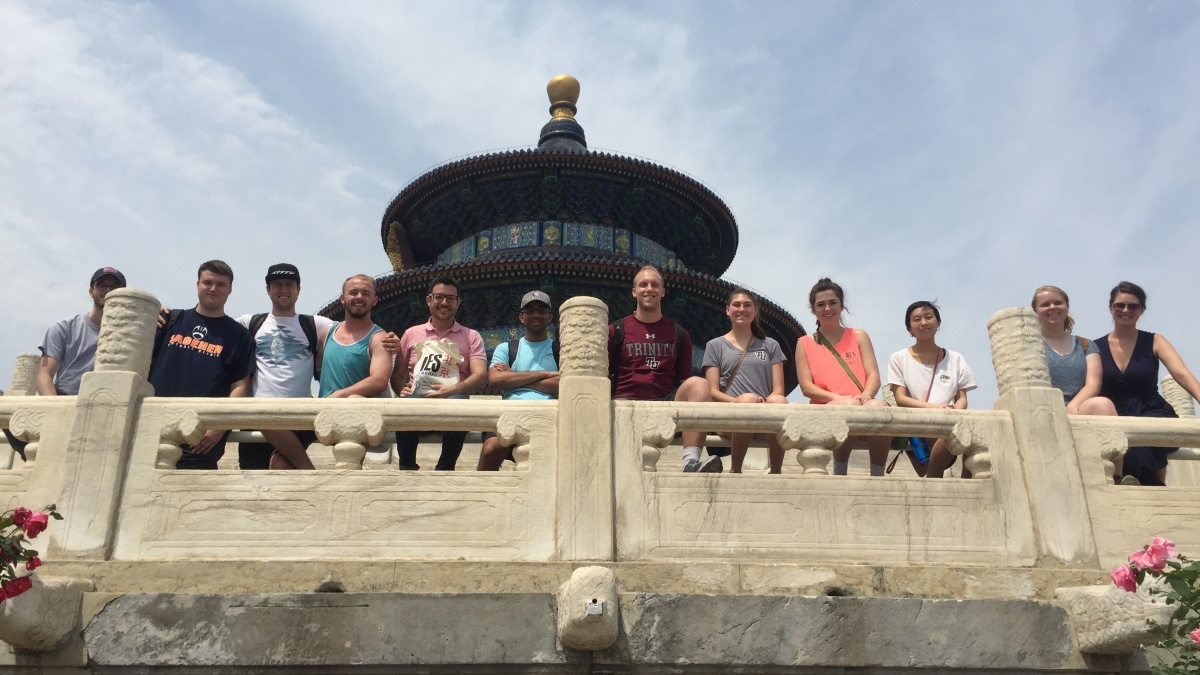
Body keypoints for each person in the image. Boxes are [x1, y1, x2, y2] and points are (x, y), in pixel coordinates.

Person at [4, 267, 127, 460]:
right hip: (64, 400)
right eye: (101, 284)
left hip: (106, 410)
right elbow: (44, 375)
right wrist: (57, 410)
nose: (107, 290)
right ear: (91, 290)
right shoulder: (65, 328)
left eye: (115, 286)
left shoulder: (129, 334)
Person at [148, 260, 254, 470]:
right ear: (198, 284)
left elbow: (240, 385)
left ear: (230, 290)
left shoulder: (239, 335)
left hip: (201, 434)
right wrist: (147, 316)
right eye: (208, 282)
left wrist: (220, 425)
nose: (213, 289)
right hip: (155, 424)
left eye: (221, 284)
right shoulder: (169, 319)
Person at [609, 265, 716, 473]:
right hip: (625, 401)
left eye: (654, 285)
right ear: (634, 291)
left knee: (700, 384)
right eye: (643, 285)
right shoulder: (617, 330)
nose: (649, 289)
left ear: (663, 291)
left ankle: (691, 461)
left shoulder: (678, 334)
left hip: (665, 402)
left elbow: (683, 381)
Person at [1094, 281, 1200, 486]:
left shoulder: (1155, 341)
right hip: (1114, 412)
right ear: (1110, 308)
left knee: (1138, 437)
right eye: (1120, 305)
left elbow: (1182, 374)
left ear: (1142, 310)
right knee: (1125, 436)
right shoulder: (1094, 347)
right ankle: (1152, 485)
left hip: (1152, 409)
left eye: (1133, 306)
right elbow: (1090, 385)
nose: (1126, 310)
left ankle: (1134, 482)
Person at [235, 263, 334, 470]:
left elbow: (354, 334)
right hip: (255, 417)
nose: (284, 290)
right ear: (267, 289)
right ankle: (311, 473)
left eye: (290, 284)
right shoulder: (249, 323)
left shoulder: (315, 324)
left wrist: (384, 338)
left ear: (299, 289)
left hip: (298, 415)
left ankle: (309, 472)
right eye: (277, 284)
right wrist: (166, 316)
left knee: (282, 467)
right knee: (253, 480)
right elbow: (215, 329)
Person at [388, 275, 487, 470]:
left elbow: (480, 375)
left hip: (453, 401)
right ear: (428, 300)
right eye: (439, 297)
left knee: (460, 406)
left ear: (458, 302)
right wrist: (402, 389)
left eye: (451, 298)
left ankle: (445, 467)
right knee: (403, 407)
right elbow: (397, 375)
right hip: (417, 399)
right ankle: (407, 467)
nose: (444, 303)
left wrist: (451, 390)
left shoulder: (471, 336)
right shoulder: (410, 334)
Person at [794, 278, 890, 476]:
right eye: (821, 304)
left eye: (832, 303)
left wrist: (867, 394)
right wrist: (838, 398)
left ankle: (878, 474)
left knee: (879, 407)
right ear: (813, 310)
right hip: (827, 405)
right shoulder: (804, 343)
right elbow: (806, 387)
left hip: (861, 400)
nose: (827, 308)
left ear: (841, 305)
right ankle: (840, 471)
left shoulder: (859, 335)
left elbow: (873, 374)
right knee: (848, 407)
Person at [887, 301, 978, 478]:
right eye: (917, 319)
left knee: (973, 429)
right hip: (916, 426)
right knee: (951, 432)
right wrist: (936, 409)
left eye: (929, 317)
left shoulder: (956, 358)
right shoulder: (898, 358)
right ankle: (935, 477)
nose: (924, 323)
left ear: (938, 323)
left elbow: (962, 397)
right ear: (909, 328)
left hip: (948, 422)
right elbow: (901, 398)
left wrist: (955, 412)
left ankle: (964, 485)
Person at [702, 288, 788, 473]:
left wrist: (763, 404)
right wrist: (740, 402)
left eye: (748, 305)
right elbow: (712, 391)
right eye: (737, 305)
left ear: (756, 310)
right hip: (731, 418)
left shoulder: (771, 345)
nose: (742, 309)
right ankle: (736, 469)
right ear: (727, 310)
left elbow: (778, 389)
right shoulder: (715, 345)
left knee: (779, 401)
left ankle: (776, 471)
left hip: (765, 418)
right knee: (748, 400)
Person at [477, 290, 559, 471]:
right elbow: (496, 379)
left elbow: (564, 384)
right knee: (490, 449)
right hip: (510, 412)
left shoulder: (560, 350)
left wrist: (514, 376)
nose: (535, 315)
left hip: (549, 414)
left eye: (541, 310)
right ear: (521, 317)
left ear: (550, 317)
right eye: (530, 311)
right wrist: (546, 374)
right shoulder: (506, 348)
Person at [1032, 285, 1117, 416]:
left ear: (1067, 306)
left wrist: (1072, 407)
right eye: (1045, 304)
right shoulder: (1029, 345)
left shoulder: (1086, 345)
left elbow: (1093, 384)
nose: (1052, 307)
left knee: (1103, 404)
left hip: (1077, 409)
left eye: (1058, 303)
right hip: (1041, 410)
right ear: (1035, 311)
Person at [317, 275, 391, 400]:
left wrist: (341, 395)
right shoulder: (327, 333)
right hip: (325, 412)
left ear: (374, 300)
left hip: (359, 414)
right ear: (342, 298)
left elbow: (379, 380)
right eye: (353, 292)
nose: (359, 297)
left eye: (366, 293)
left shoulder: (379, 338)